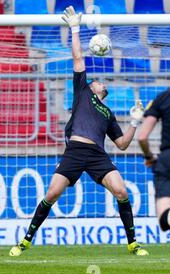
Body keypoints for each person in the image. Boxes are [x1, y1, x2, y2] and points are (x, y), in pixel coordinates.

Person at [9, 6, 149, 257]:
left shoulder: (108, 114)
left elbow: (123, 144)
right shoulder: (82, 91)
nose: (98, 80)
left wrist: (135, 122)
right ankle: (25, 241)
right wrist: (75, 28)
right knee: (51, 194)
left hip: (97, 155)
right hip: (75, 150)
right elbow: (77, 59)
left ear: (103, 90)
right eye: (96, 80)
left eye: (101, 81)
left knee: (122, 191)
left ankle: (133, 243)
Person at [138, 88, 170, 232]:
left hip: (167, 159)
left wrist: (149, 156)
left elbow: (142, 137)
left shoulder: (163, 97)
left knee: (165, 221)